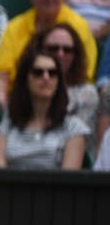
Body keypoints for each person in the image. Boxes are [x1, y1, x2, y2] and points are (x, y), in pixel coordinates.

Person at [0, 0, 97, 110]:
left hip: (67, 103)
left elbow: (84, 75)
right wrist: (7, 110)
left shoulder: (78, 26)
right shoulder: (15, 27)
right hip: (20, 103)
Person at [0, 47, 87, 170]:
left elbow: (69, 183)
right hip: (11, 188)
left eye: (52, 73)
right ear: (25, 79)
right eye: (38, 72)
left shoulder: (74, 127)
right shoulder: (9, 121)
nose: (46, 77)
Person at [35, 23, 99, 159]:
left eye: (67, 50)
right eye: (53, 48)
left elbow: (82, 142)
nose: (60, 54)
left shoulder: (87, 93)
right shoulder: (28, 87)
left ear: (75, 55)